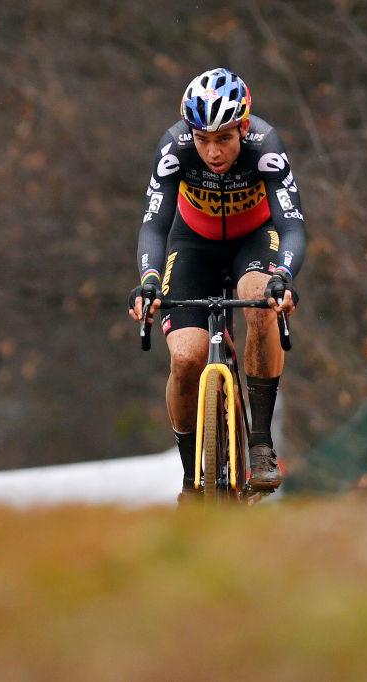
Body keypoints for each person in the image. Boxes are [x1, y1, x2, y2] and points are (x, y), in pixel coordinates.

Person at [127, 67, 306, 498]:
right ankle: (190, 478)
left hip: (254, 242)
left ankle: (260, 444)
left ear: (243, 127)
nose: (212, 151)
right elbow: (154, 225)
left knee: (259, 299)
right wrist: (149, 280)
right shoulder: (174, 148)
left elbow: (293, 224)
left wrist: (282, 276)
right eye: (203, 139)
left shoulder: (266, 148)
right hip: (193, 246)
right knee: (186, 358)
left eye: (223, 138)